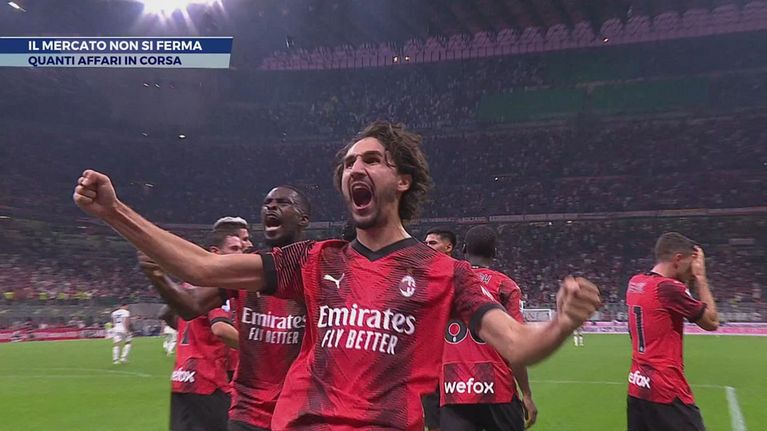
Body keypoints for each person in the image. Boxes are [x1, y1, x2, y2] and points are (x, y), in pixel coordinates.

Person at [73, 121, 601, 430]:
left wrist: (562, 323)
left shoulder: (445, 272)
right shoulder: (312, 259)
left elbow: (517, 344)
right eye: (348, 164)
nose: (355, 169)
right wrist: (115, 212)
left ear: (402, 180)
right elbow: (201, 268)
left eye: (371, 160)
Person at [141, 187, 311, 431]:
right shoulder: (243, 273)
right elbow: (199, 313)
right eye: (267, 203)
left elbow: (170, 314)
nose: (271, 207)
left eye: (282, 202)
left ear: (303, 219)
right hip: (238, 403)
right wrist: (157, 274)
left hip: (295, 407)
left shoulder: (318, 269)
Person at [139, 227, 242, 431]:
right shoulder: (217, 285)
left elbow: (165, 313)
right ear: (215, 252)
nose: (240, 253)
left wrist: (194, 333)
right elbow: (221, 329)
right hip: (209, 381)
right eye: (234, 248)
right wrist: (261, 347)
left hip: (182, 378)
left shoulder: (190, 285)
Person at [440, 225, 537, 431]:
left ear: (463, 249)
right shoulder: (505, 285)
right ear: (494, 252)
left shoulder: (444, 282)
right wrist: (527, 394)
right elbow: (516, 345)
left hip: (453, 388)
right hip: (497, 388)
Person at [626, 232, 719, 431]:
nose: (691, 270)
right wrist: (701, 278)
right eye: (690, 264)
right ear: (678, 259)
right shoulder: (669, 288)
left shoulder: (635, 282)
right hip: (666, 390)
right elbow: (712, 322)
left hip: (638, 386)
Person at [422, 227, 458, 431]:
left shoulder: (461, 274)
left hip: (456, 358)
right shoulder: (421, 276)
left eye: (433, 243)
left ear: (448, 247)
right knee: (433, 419)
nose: (427, 247)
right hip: (429, 360)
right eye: (426, 243)